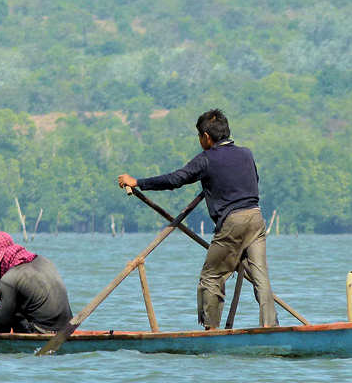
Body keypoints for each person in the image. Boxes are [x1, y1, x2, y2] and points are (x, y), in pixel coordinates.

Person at [117, 109, 278, 329]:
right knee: (261, 278)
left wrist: (138, 182)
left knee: (211, 277)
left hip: (233, 223)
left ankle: (210, 331)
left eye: (199, 137)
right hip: (256, 218)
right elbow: (251, 180)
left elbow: (175, 179)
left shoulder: (206, 160)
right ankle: (271, 327)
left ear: (206, 137)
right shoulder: (246, 154)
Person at [0, 232, 73, 333]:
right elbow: (23, 289)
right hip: (68, 328)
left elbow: (1, 320)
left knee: (7, 314)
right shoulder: (43, 261)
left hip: (43, 331)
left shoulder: (9, 279)